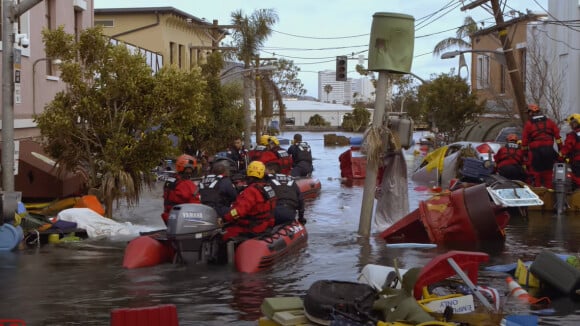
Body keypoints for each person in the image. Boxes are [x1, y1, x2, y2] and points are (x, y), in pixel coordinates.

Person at [221, 161, 277, 241]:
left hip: (254, 227)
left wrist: (225, 218)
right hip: (267, 225)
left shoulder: (251, 191)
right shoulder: (268, 187)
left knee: (224, 234)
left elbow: (238, 211)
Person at [521, 103, 562, 188]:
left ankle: (538, 193)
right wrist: (561, 151)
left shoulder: (529, 124)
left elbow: (524, 142)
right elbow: (558, 138)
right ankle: (549, 193)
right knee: (549, 174)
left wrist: (525, 154)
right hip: (549, 151)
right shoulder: (550, 122)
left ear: (531, 113)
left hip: (536, 153)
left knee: (536, 174)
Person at [161, 154, 201, 225]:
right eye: (190, 168)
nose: (191, 171)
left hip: (168, 217)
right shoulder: (186, 184)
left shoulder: (169, 180)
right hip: (182, 219)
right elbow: (196, 204)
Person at [559, 114, 580, 188]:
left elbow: (567, 147)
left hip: (577, 161)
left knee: (576, 179)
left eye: (573, 123)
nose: (571, 126)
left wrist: (560, 156)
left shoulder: (572, 135)